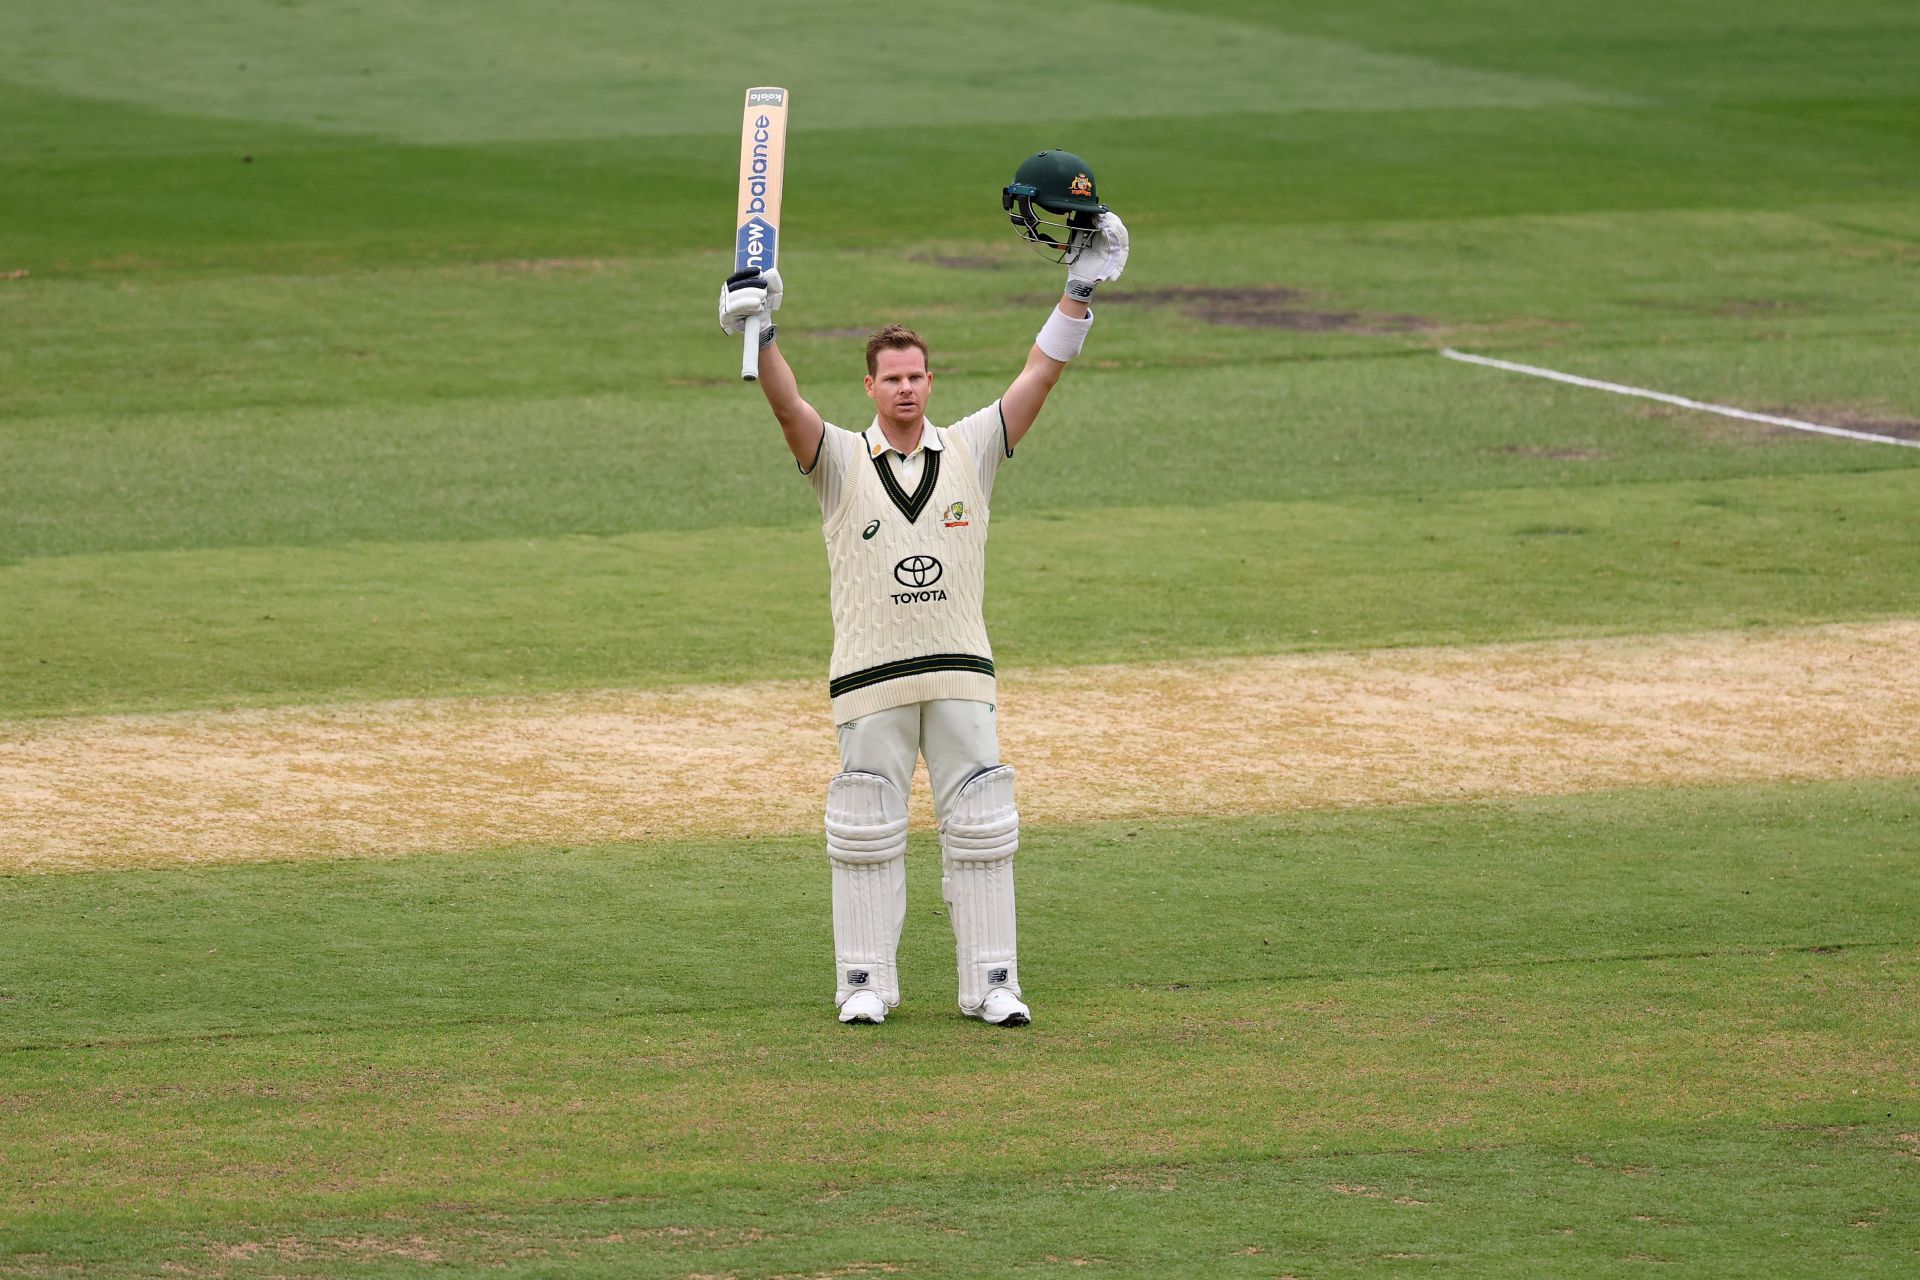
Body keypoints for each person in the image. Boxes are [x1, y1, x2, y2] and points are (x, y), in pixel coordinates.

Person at [717, 151, 1129, 1027]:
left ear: (929, 381)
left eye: (916, 375)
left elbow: (1039, 376)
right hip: (871, 674)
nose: (905, 387)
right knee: (864, 825)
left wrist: (1078, 297)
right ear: (869, 387)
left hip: (959, 673)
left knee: (983, 822)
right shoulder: (836, 461)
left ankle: (993, 985)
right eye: (890, 377)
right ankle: (864, 986)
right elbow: (787, 409)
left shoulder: (974, 447)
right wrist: (765, 329)